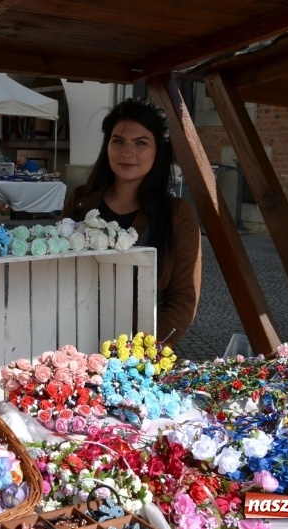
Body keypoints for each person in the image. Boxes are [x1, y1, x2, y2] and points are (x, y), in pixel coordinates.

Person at [61, 98, 201, 348]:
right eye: (118, 141)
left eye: (141, 143)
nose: (127, 153)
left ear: (158, 149)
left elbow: (183, 301)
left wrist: (139, 352)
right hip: (73, 341)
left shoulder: (177, 214)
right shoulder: (81, 201)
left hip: (135, 352)